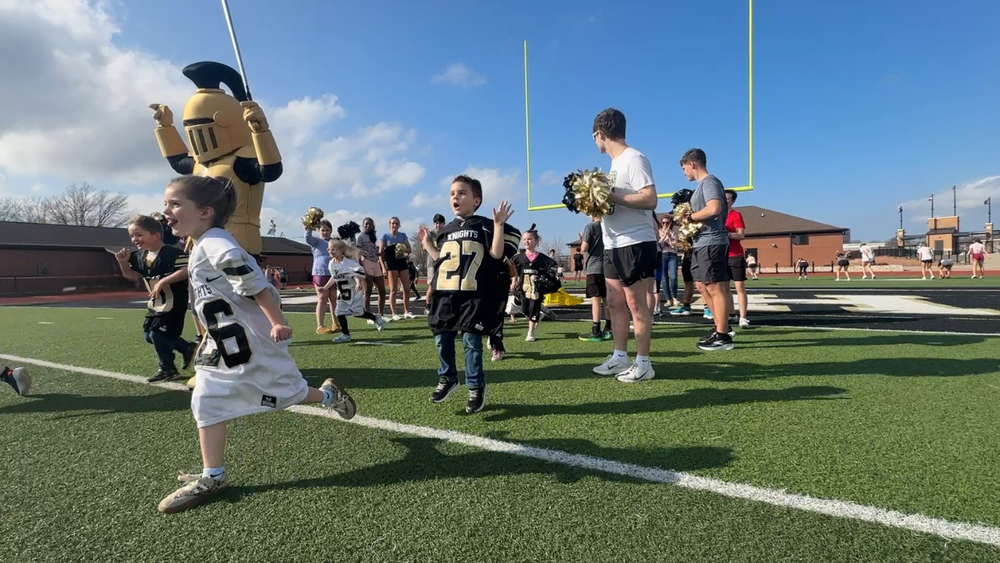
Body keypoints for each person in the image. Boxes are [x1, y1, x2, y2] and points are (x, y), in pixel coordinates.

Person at [157, 174, 356, 514]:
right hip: (223, 348)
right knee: (205, 401)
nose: (166, 211)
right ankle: (213, 475)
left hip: (254, 344)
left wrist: (278, 321)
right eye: (166, 204)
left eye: (175, 204)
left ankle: (328, 395)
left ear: (205, 211)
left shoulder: (217, 244)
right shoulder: (201, 243)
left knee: (286, 394)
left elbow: (255, 284)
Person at [420, 175, 520, 414]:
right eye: (453, 193)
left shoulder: (483, 224)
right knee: (441, 336)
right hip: (447, 293)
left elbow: (496, 254)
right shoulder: (445, 231)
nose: (456, 196)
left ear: (476, 200)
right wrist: (427, 245)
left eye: (462, 193)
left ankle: (475, 386)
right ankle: (448, 378)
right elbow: (442, 261)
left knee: (470, 341)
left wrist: (498, 225)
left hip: (472, 295)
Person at [589, 108, 659, 382]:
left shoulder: (634, 158)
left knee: (635, 303)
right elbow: (616, 200)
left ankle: (644, 363)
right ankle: (620, 356)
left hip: (635, 241)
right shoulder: (614, 165)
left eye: (594, 137)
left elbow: (650, 199)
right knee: (615, 302)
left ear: (600, 134)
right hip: (612, 242)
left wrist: (611, 196)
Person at [114, 214, 195, 382]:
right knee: (149, 336)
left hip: (174, 303)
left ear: (156, 235)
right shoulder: (139, 256)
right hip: (156, 304)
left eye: (139, 235)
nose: (135, 239)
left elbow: (186, 270)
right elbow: (132, 276)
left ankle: (168, 369)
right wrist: (123, 263)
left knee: (158, 334)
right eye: (132, 236)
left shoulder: (174, 253)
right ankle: (187, 348)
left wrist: (163, 281)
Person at [680, 148, 734, 351]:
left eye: (684, 167)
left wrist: (690, 217)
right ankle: (720, 328)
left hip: (712, 242)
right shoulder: (701, 185)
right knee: (702, 286)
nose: (684, 172)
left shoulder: (709, 182)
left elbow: (714, 209)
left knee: (715, 287)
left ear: (692, 163)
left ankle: (723, 335)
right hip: (701, 242)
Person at [321, 239, 385, 343]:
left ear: (341, 250)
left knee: (358, 313)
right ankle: (345, 334)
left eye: (333, 249)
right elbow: (334, 277)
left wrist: (358, 283)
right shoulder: (331, 264)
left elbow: (356, 274)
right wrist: (325, 287)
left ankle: (375, 318)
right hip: (342, 294)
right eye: (329, 249)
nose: (330, 251)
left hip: (354, 292)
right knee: (339, 312)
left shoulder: (349, 263)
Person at [513, 226, 559, 342]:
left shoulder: (542, 258)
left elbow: (553, 266)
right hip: (523, 288)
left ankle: (530, 332)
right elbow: (513, 270)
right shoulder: (519, 257)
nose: (526, 241)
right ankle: (539, 315)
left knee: (534, 308)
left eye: (529, 239)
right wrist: (514, 282)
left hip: (536, 289)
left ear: (536, 240)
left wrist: (549, 277)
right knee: (525, 309)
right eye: (524, 239)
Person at [579, 215, 613, 341]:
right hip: (608, 266)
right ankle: (609, 328)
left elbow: (584, 248)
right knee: (607, 299)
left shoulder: (591, 226)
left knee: (596, 299)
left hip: (594, 267)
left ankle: (596, 330)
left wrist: (583, 240)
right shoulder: (609, 226)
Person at [305, 220, 339, 335]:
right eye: (322, 230)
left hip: (333, 273)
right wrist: (309, 226)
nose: (325, 232)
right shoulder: (316, 241)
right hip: (319, 273)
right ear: (318, 231)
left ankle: (336, 323)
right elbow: (307, 238)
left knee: (333, 298)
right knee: (322, 297)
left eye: (327, 230)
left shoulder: (334, 242)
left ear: (331, 231)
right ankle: (320, 326)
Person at [379, 217, 415, 321]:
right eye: (392, 223)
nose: (394, 225)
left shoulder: (403, 236)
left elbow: (410, 249)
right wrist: (383, 267)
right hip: (391, 264)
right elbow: (380, 254)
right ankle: (394, 313)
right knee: (393, 290)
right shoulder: (385, 236)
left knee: (406, 289)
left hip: (402, 262)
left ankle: (406, 312)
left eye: (396, 223)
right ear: (389, 225)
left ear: (399, 225)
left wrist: (403, 248)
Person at [724, 190, 750, 329]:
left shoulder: (735, 215)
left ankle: (743, 317)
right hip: (721, 256)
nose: (724, 200)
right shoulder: (716, 215)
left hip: (735, 255)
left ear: (732, 201)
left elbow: (741, 235)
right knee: (724, 288)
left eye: (727, 198)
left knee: (739, 287)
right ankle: (731, 314)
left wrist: (727, 233)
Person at [355, 217, 387, 318]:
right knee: (368, 291)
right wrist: (360, 266)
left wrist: (381, 253)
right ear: (363, 225)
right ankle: (368, 315)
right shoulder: (360, 236)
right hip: (366, 262)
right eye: (366, 224)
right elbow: (357, 253)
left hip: (375, 262)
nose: (368, 226)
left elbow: (373, 251)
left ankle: (380, 314)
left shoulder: (373, 237)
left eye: (370, 224)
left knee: (382, 291)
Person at [658, 214, 680, 309]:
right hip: (662, 255)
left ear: (670, 223)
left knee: (674, 277)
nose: (665, 224)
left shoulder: (674, 232)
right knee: (664, 279)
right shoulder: (658, 232)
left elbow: (674, 245)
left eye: (667, 222)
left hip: (672, 255)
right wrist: (664, 238)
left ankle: (675, 297)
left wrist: (669, 238)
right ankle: (668, 299)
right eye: (663, 222)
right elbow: (659, 244)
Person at [424, 214, 447, 303]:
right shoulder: (430, 234)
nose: (438, 225)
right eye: (436, 223)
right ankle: (428, 306)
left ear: (443, 224)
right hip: (432, 263)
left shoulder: (446, 233)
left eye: (440, 223)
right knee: (431, 285)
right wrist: (432, 246)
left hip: (444, 262)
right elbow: (424, 248)